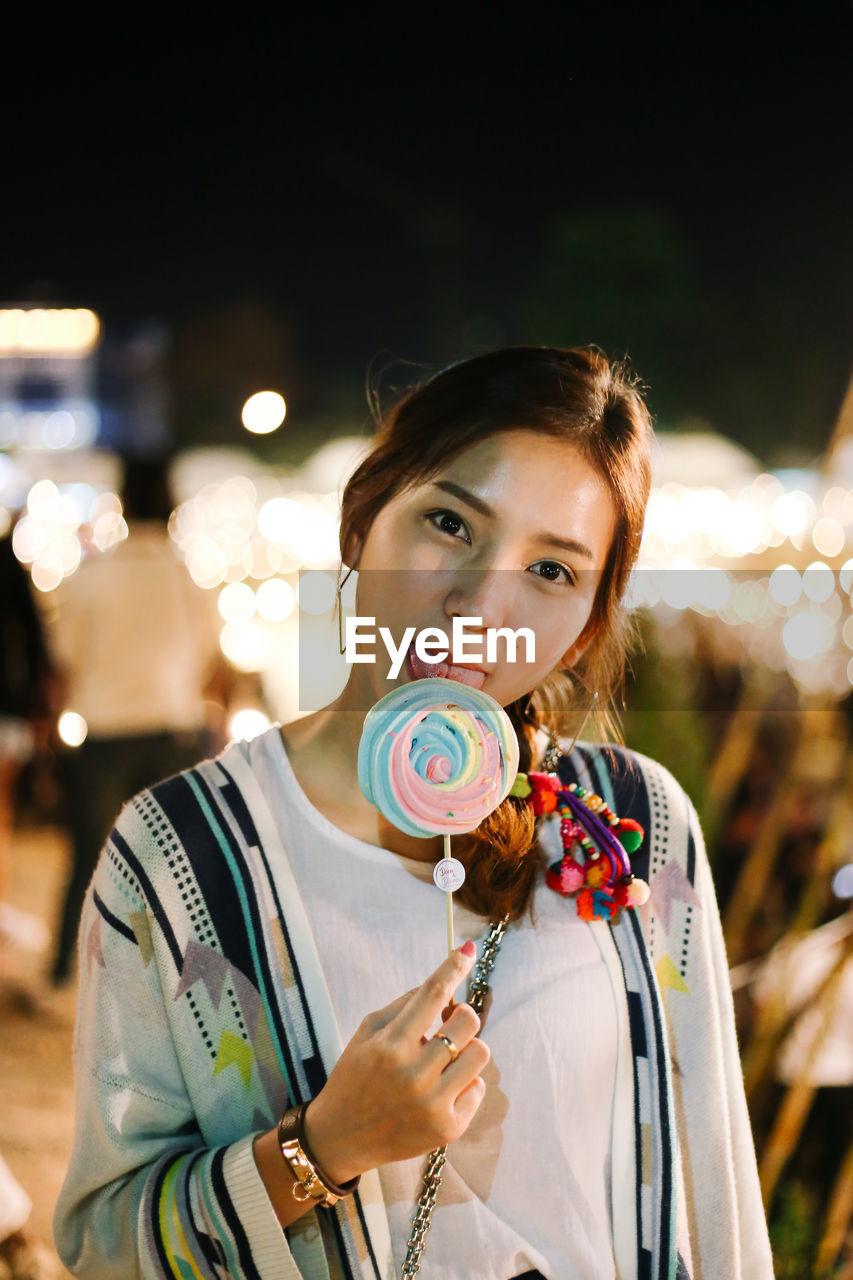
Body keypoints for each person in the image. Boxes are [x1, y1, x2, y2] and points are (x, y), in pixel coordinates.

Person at [54, 347, 775, 1279]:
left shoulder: (633, 828)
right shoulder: (178, 855)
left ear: (588, 624)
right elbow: (101, 1240)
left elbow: (714, 1203)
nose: (479, 604)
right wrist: (321, 1148)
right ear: (361, 520)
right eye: (449, 522)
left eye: (551, 572)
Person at [46, 456, 224, 985]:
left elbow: (65, 651)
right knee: (172, 866)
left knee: (91, 856)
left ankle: (65, 970)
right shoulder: (187, 576)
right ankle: (169, 979)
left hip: (102, 730)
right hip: (173, 728)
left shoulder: (92, 575)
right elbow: (210, 648)